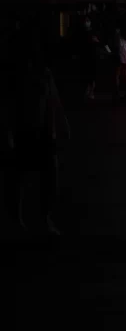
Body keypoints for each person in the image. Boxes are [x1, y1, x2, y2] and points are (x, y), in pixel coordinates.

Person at [4, 35, 69, 235]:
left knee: (42, 176)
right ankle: (24, 219)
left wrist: (60, 126)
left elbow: (53, 102)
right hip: (24, 131)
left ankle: (38, 218)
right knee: (21, 178)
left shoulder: (42, 74)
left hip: (38, 132)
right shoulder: (19, 77)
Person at [114, 27, 126, 101]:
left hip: (121, 56)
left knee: (118, 74)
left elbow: (118, 46)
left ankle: (117, 92)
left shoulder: (119, 37)